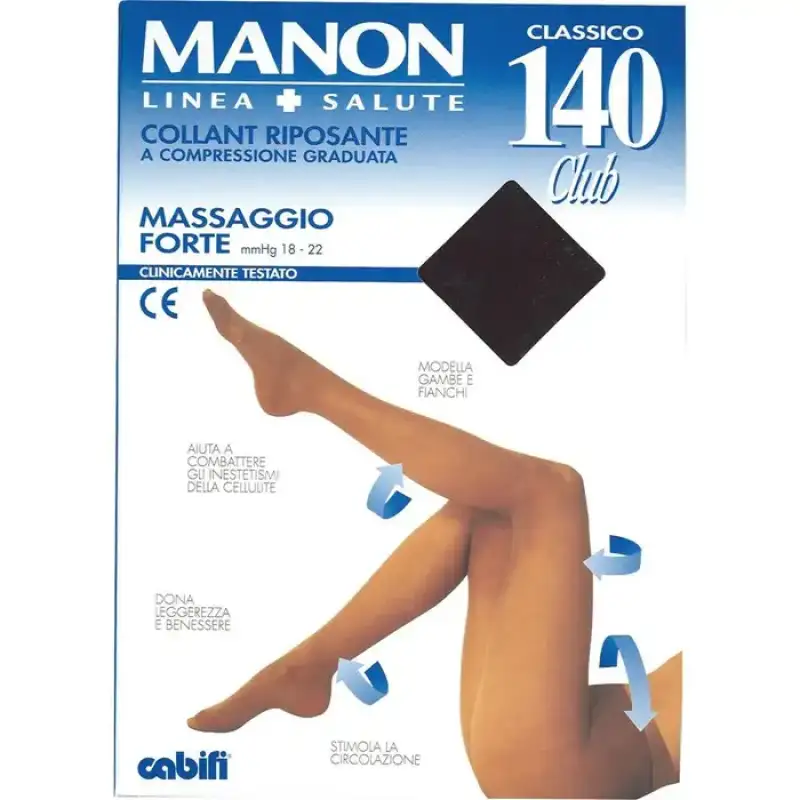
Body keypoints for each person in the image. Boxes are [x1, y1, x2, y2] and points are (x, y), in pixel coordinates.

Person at [187, 289, 682, 799]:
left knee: (551, 492)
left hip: (567, 771)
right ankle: (308, 668)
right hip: (553, 749)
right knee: (491, 517)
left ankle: (305, 387)